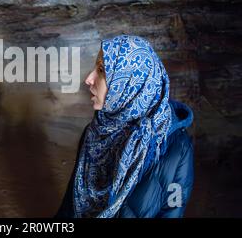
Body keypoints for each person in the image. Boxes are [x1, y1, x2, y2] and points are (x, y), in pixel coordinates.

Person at [56, 35, 194, 218]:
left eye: (101, 70)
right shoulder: (94, 133)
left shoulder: (176, 147)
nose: (89, 79)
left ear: (130, 81)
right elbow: (70, 207)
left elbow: (172, 210)